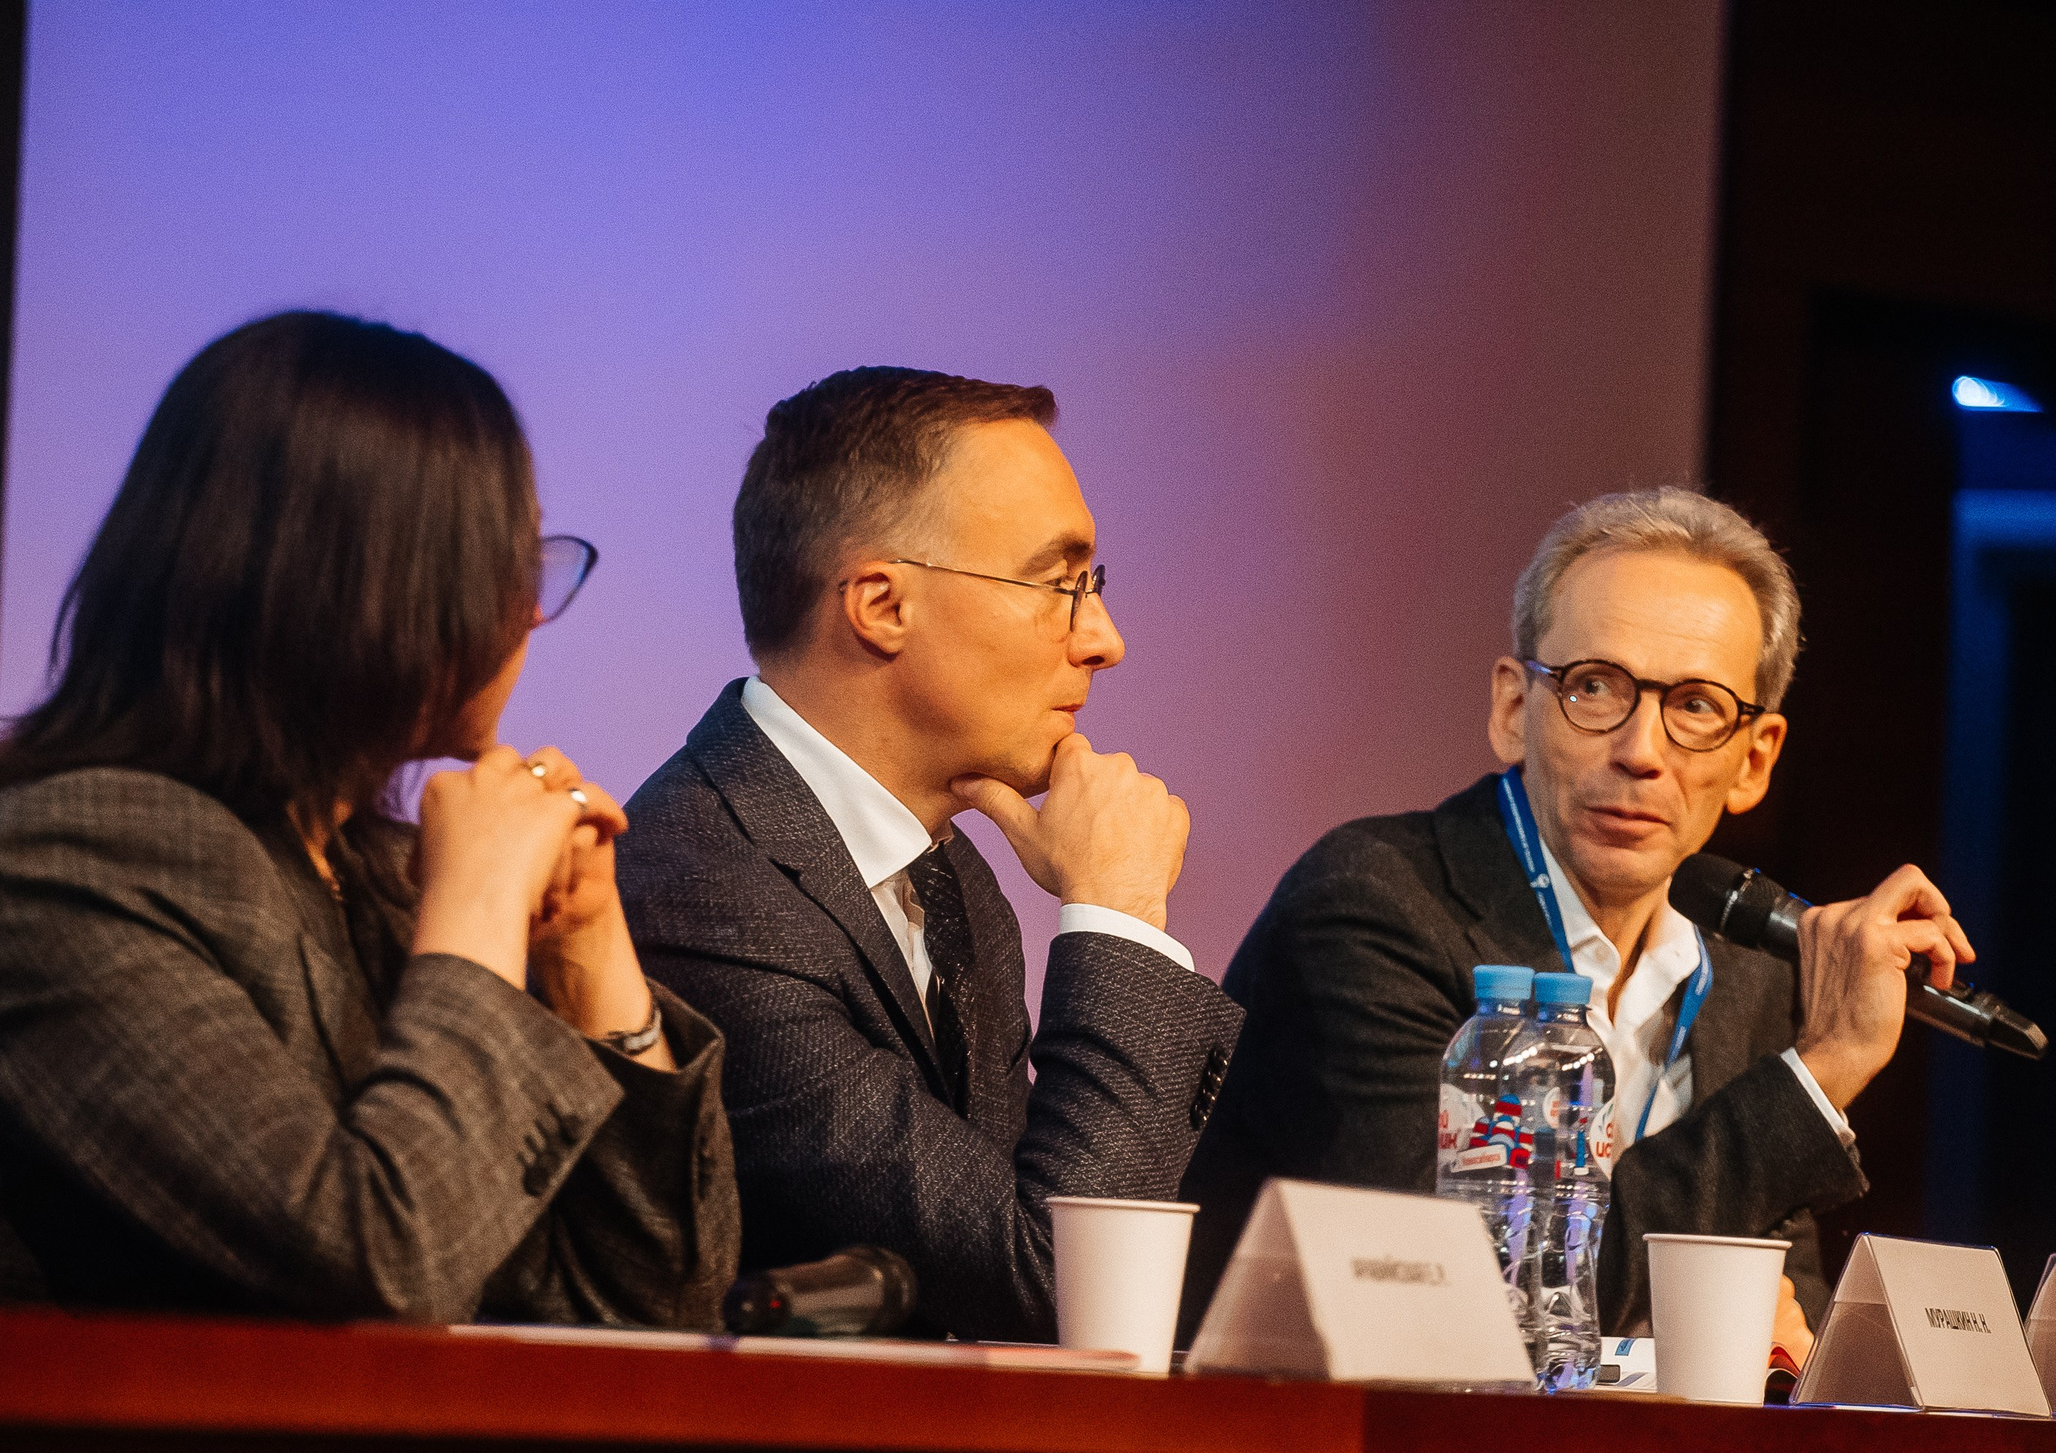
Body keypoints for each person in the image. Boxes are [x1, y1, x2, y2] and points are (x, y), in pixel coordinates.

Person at [0, 311, 737, 1325]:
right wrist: (478, 913)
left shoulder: (368, 876)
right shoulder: (64, 862)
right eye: (507, 566)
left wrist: (586, 953)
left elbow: (657, 1302)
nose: (527, 614)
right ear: (370, 586)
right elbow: (376, 1265)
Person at [1176, 488, 1973, 1351]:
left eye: (1696, 705)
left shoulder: (1746, 976)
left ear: (1754, 758)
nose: (1640, 751)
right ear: (1513, 709)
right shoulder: (1372, 909)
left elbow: (1785, 1328)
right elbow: (1465, 1304)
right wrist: (1824, 1069)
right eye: (1595, 687)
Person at [617, 366, 1240, 1343]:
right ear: (880, 604)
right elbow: (1055, 1285)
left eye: (1092, 586)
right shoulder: (701, 883)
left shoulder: (949, 879)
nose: (1103, 639)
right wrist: (1117, 913)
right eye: (1058, 583)